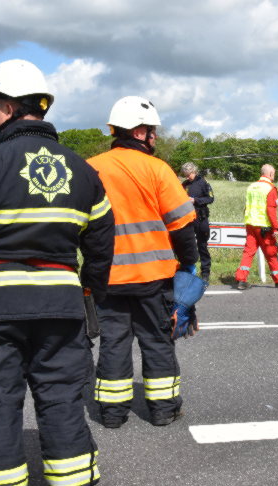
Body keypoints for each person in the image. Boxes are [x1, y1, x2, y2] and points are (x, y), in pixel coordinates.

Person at [0, 59, 114, 486]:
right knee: (64, 404)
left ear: (7, 107)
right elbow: (101, 247)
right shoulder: (85, 172)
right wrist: (86, 291)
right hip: (63, 308)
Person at [87, 96, 198, 429]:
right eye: (152, 131)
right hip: (154, 278)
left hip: (107, 278)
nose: (155, 137)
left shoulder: (90, 168)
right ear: (138, 132)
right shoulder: (158, 169)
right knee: (157, 341)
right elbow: (182, 226)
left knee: (113, 344)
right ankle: (163, 410)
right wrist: (189, 266)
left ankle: (112, 414)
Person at [234, 164, 278, 289]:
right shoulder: (270, 188)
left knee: (248, 252)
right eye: (273, 174)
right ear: (270, 174)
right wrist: (276, 227)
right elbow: (271, 210)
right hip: (264, 227)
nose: (274, 176)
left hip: (250, 224)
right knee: (271, 253)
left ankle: (241, 279)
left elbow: (247, 206)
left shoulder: (251, 187)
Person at [181, 162, 214, 283]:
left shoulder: (203, 182)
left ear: (194, 171)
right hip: (188, 219)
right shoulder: (184, 184)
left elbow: (210, 198)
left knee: (202, 246)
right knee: (188, 246)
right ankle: (188, 271)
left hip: (201, 218)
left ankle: (205, 272)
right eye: (185, 174)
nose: (187, 177)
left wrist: (195, 200)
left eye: (188, 174)